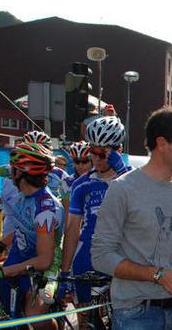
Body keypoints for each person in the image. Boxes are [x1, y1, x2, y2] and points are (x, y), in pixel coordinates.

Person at [92, 107, 172, 329]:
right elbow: (101, 256)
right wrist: (157, 274)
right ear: (162, 143)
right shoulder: (122, 189)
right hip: (135, 313)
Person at [0, 143, 65, 329]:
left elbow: (44, 260)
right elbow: (23, 228)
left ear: (21, 173)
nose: (9, 172)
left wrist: (2, 272)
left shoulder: (46, 209)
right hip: (16, 261)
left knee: (34, 318)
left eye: (13, 169)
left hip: (40, 271)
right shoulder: (22, 196)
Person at [61, 116, 131, 316]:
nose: (96, 159)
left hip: (122, 254)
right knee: (85, 319)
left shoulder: (132, 179)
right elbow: (72, 230)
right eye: (93, 152)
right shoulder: (81, 185)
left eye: (102, 154)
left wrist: (121, 172)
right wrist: (64, 274)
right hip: (87, 255)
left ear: (117, 151)